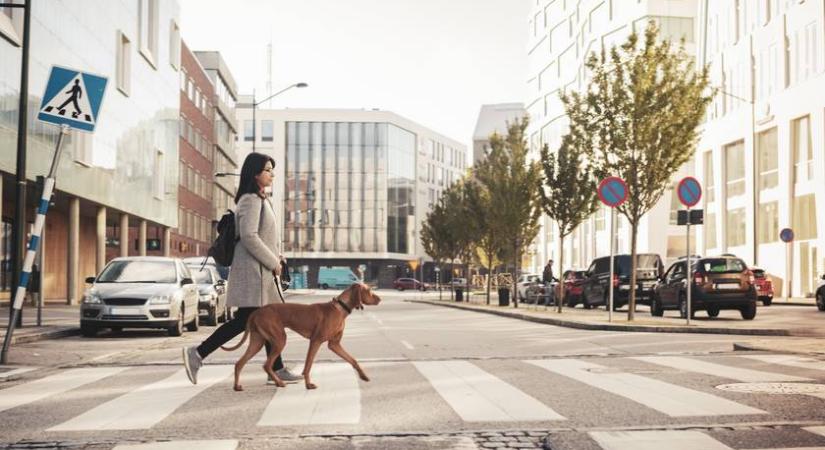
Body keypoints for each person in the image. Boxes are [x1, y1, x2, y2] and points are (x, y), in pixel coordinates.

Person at [182, 153, 302, 385]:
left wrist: (277, 256)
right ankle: (197, 354)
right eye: (268, 169)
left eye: (272, 170)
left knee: (267, 320)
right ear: (255, 173)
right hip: (253, 274)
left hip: (260, 273)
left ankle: (275, 369)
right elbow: (248, 236)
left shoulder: (260, 198)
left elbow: (260, 236)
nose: (272, 174)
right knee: (245, 321)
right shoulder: (249, 199)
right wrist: (273, 262)